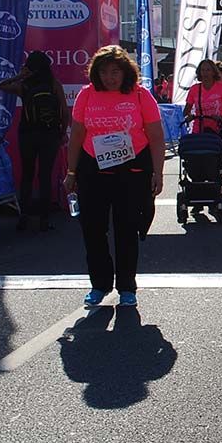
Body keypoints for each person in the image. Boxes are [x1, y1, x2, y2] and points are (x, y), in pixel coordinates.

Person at [63, 46, 165, 308]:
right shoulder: (86, 95)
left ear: (125, 72)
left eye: (115, 71)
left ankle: (127, 287)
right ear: (96, 73)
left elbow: (155, 136)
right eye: (104, 72)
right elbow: (76, 136)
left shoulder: (141, 95)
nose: (110, 77)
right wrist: (71, 172)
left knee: (127, 230)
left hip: (132, 170)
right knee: (93, 230)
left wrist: (158, 172)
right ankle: (99, 284)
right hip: (92, 169)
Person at [0, 50, 69, 232]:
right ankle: (45, 219)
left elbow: (2, 86)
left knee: (27, 175)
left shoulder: (24, 85)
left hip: (27, 134)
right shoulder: (54, 84)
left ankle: (24, 216)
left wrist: (20, 75)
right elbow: (64, 111)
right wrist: (62, 132)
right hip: (50, 134)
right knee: (45, 175)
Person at [182, 59, 222, 136]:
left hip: (217, 131)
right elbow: (186, 111)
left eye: (208, 70)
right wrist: (189, 117)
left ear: (213, 72)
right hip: (198, 130)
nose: (205, 73)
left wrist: (221, 118)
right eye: (203, 70)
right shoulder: (194, 89)